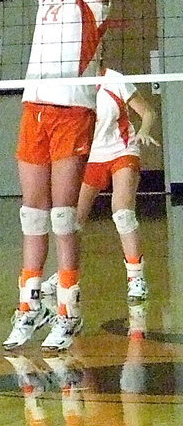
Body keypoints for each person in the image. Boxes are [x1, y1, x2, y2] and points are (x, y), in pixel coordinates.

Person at [4, 0, 109, 352]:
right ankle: (30, 304)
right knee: (32, 211)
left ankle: (69, 308)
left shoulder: (94, 2)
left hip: (72, 112)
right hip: (35, 108)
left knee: (64, 214)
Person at [69, 63, 158, 301]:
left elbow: (148, 112)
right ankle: (65, 275)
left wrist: (144, 131)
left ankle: (136, 277)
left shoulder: (115, 79)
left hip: (122, 150)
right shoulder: (72, 83)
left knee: (122, 212)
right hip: (90, 157)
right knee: (70, 220)